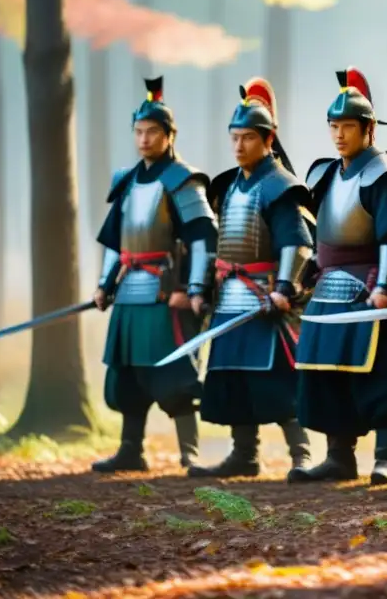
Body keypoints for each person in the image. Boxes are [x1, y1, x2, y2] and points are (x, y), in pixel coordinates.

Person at [187, 78, 312, 479]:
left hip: (264, 298)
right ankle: (244, 455)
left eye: (247, 138)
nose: (238, 146)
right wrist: (203, 290)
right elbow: (220, 244)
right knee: (234, 380)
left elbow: (298, 242)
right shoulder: (227, 185)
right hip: (231, 298)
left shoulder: (279, 186)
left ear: (268, 138)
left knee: (276, 382)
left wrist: (284, 288)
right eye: (234, 138)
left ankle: (302, 455)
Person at [292, 67, 387, 485]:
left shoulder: (384, 174)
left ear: (369, 129)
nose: (339, 135)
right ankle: (338, 456)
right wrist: (301, 279)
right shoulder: (324, 174)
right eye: (334, 126)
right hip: (327, 287)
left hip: (369, 286)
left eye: (347, 127)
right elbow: (313, 234)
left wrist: (386, 287)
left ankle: (385, 459)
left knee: (378, 376)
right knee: (325, 373)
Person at [90, 77, 215, 473]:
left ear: (168, 135)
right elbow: (115, 241)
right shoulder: (125, 182)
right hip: (128, 291)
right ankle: (131, 449)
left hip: (165, 294)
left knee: (174, 373)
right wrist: (104, 284)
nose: (144, 139)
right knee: (127, 374)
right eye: (139, 132)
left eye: (152, 132)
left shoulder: (182, 181)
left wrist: (194, 289)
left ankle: (189, 453)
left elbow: (201, 239)